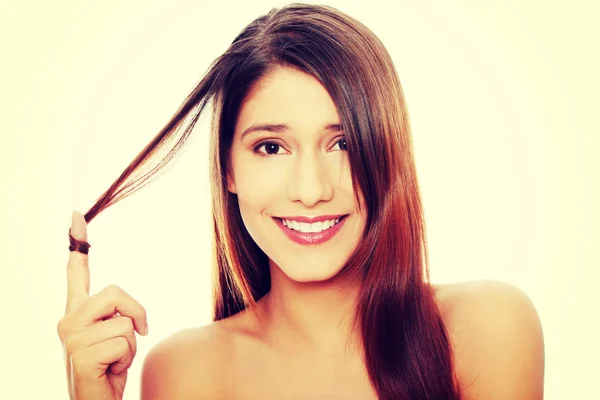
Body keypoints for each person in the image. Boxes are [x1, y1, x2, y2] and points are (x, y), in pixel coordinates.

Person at [56, 3, 545, 399]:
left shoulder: (486, 329)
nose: (311, 191)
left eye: (343, 143)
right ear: (228, 169)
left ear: (387, 152)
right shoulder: (184, 373)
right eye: (271, 147)